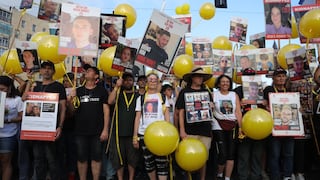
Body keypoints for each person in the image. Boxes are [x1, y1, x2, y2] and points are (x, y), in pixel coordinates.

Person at [22, 61, 67, 180]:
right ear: (40, 71)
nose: (46, 71)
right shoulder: (35, 85)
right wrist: (29, 82)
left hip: (51, 129)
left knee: (52, 160)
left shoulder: (59, 86)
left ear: (53, 71)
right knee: (38, 159)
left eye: (49, 68)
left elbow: (63, 108)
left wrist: (60, 127)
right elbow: (24, 98)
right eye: (44, 68)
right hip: (36, 130)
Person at [69, 64, 109, 180]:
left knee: (96, 158)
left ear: (96, 75)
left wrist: (105, 130)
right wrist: (71, 99)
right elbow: (72, 111)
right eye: (86, 70)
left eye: (90, 70)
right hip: (80, 131)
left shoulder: (102, 91)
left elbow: (106, 111)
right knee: (81, 158)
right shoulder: (78, 91)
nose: (86, 72)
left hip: (97, 131)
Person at [176, 67, 213, 180]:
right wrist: (182, 130)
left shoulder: (206, 92)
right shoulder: (184, 92)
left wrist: (212, 106)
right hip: (189, 131)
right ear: (192, 78)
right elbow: (180, 113)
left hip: (205, 131)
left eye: (202, 76)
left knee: (203, 158)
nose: (201, 78)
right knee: (188, 156)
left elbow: (211, 109)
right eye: (198, 76)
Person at [133, 72, 170, 180]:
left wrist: (168, 133)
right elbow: (137, 117)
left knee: (162, 163)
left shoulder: (163, 97)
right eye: (150, 79)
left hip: (160, 135)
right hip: (145, 134)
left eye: (155, 79)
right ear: (147, 82)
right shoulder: (140, 98)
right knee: (149, 163)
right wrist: (135, 136)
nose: (153, 81)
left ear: (158, 81)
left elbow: (167, 116)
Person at [233, 68, 267, 180]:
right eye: (247, 76)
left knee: (257, 154)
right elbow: (235, 108)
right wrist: (240, 126)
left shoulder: (261, 88)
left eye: (252, 75)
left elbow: (267, 106)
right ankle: (242, 176)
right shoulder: (237, 90)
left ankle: (255, 176)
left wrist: (265, 103)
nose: (249, 77)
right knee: (244, 154)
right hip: (245, 125)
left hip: (260, 126)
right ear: (242, 77)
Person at [263, 67, 294, 180]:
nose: (281, 78)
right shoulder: (269, 89)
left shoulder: (290, 91)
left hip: (289, 127)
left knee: (289, 154)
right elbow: (265, 102)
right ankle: (275, 176)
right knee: (274, 154)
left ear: (286, 78)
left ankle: (287, 176)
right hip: (275, 127)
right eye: (278, 76)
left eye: (283, 76)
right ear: (274, 78)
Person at [108, 72, 140, 180]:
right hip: (118, 132)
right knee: (118, 158)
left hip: (132, 133)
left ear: (133, 82)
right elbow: (110, 101)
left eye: (130, 80)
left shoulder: (138, 96)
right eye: (125, 80)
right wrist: (117, 86)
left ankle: (131, 178)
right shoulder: (118, 94)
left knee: (132, 159)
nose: (127, 82)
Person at [212, 74, 243, 180]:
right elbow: (208, 111)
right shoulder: (214, 94)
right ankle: (220, 174)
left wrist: (241, 127)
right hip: (218, 124)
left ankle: (227, 177)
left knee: (231, 153)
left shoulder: (234, 95)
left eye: (227, 82)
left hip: (232, 125)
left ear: (230, 84)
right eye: (223, 81)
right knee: (223, 152)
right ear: (219, 83)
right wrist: (210, 107)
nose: (225, 83)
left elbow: (238, 111)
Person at [0, 76, 23, 180]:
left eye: (2, 89)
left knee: (6, 160)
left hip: (8, 134)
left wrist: (8, 120)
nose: (0, 92)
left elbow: (21, 117)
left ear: (9, 88)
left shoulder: (17, 100)